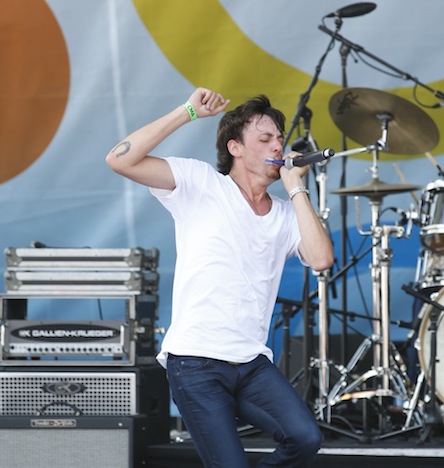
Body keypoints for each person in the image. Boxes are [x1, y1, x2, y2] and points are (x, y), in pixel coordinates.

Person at [106, 87, 334, 467]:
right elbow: (119, 159)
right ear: (236, 148)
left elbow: (322, 259)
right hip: (196, 363)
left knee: (305, 438)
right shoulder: (200, 183)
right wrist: (187, 112)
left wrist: (296, 188)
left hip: (251, 363)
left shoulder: (284, 213)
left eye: (279, 139)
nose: (277, 146)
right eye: (264, 139)